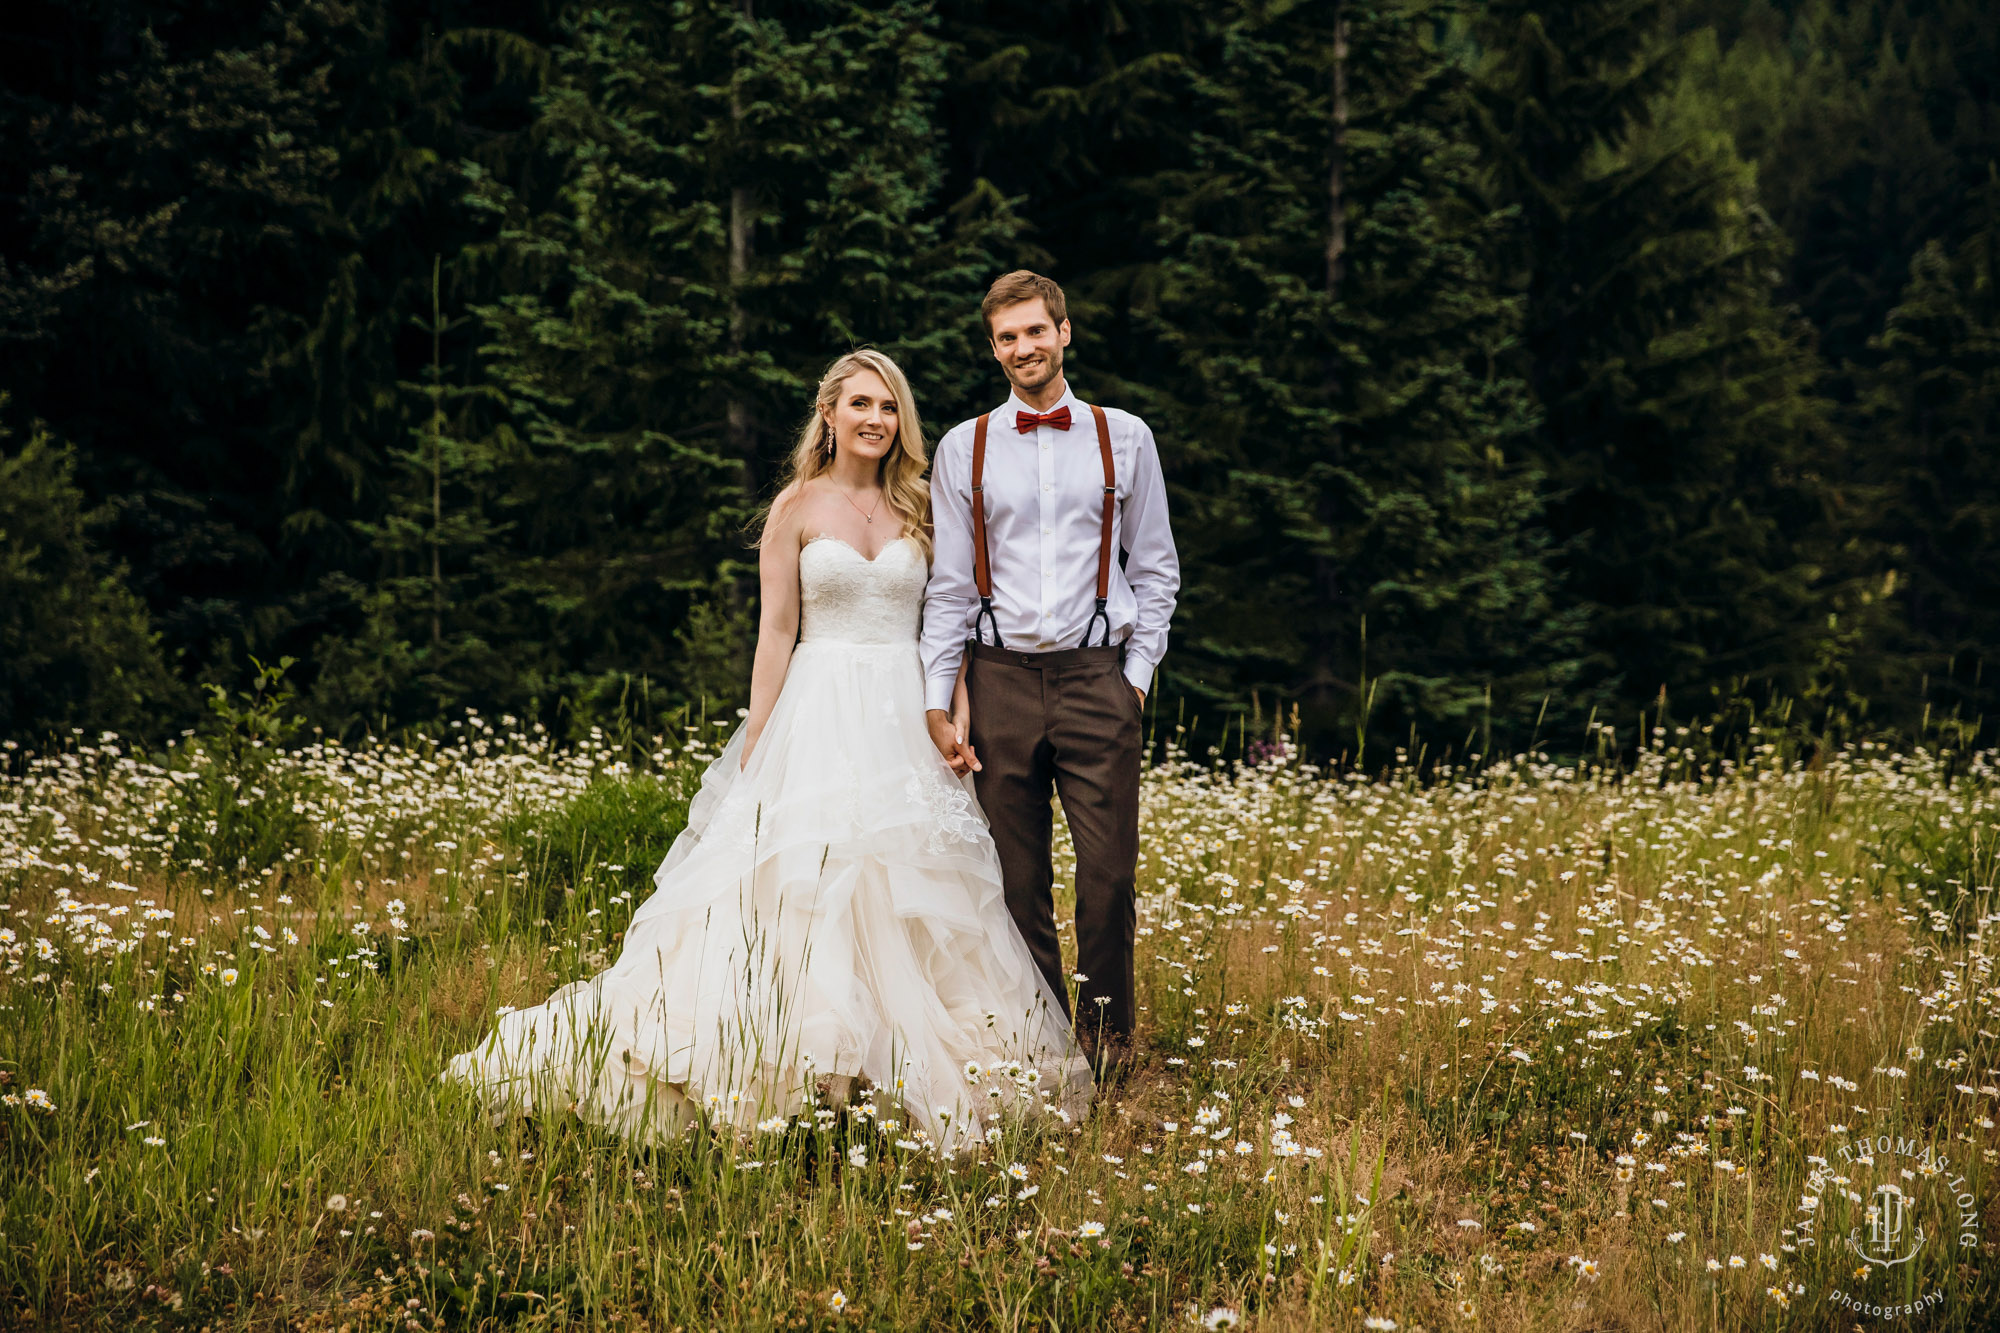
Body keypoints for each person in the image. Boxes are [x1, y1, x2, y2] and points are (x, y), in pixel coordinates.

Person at [444, 349, 1090, 1148]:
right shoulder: (796, 507)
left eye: (888, 408)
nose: (875, 420)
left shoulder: (922, 505)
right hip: (818, 711)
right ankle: (804, 1068)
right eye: (859, 404)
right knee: (806, 884)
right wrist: (759, 737)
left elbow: (950, 619)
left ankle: (892, 1075)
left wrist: (951, 705)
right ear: (829, 413)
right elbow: (777, 631)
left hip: (904, 714)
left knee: (911, 895)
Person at [922, 271, 1180, 1083]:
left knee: (1108, 875)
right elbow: (952, 586)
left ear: (1065, 332)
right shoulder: (963, 446)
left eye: (1037, 331)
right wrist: (940, 697)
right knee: (1014, 878)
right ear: (993, 347)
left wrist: (1134, 676)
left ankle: (1109, 1044)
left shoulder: (1125, 436)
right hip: (997, 679)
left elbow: (1159, 567)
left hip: (1097, 677)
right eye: (1008, 337)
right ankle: (1045, 1044)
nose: (1024, 348)